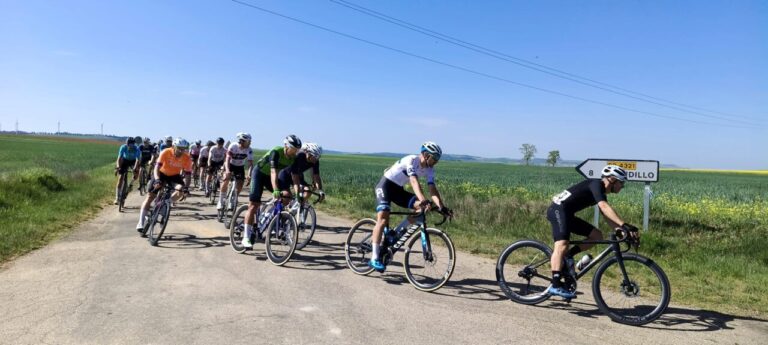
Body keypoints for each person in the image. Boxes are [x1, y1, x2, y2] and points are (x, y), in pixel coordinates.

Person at [545, 165, 639, 299]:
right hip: (557, 210)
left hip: (567, 214)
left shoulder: (601, 191)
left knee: (597, 236)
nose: (622, 186)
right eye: (621, 183)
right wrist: (625, 225)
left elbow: (606, 215)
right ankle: (555, 285)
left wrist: (621, 230)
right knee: (562, 244)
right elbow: (604, 207)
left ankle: (568, 256)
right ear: (612, 180)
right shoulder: (596, 184)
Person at [368, 141, 452, 272]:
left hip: (398, 191)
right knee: (383, 220)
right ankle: (374, 258)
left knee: (421, 208)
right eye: (434, 158)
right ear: (426, 155)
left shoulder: (430, 169)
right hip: (385, 186)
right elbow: (413, 181)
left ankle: (396, 232)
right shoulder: (412, 160)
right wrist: (423, 199)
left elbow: (432, 189)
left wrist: (441, 206)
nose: (436, 161)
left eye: (438, 159)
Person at [241, 134, 302, 248]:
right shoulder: (276, 152)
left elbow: (295, 177)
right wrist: (275, 190)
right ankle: (246, 237)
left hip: (270, 177)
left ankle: (267, 216)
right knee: (254, 205)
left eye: (297, 150)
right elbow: (273, 172)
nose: (295, 152)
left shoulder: (294, 158)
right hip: (259, 174)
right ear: (286, 146)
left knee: (286, 196)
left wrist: (298, 194)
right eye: (293, 149)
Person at [135, 138, 193, 230]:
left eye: (183, 149)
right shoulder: (166, 152)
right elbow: (156, 168)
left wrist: (186, 187)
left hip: (174, 176)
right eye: (179, 148)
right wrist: (157, 180)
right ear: (174, 147)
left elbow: (188, 174)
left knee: (181, 190)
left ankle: (166, 203)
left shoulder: (187, 157)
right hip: (161, 173)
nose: (181, 151)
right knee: (150, 197)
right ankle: (140, 222)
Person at [217, 132, 254, 211]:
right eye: (249, 141)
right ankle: (221, 201)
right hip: (230, 164)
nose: (250, 143)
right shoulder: (233, 146)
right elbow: (227, 159)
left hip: (240, 167)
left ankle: (233, 199)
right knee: (226, 180)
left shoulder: (249, 150)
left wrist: (249, 175)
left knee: (240, 184)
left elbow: (250, 164)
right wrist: (227, 170)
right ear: (243, 141)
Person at [114, 137, 141, 204]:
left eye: (132, 144)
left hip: (133, 161)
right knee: (120, 178)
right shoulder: (123, 147)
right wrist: (118, 166)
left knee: (136, 173)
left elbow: (137, 160)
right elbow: (119, 158)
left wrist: (135, 168)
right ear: (127, 144)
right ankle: (117, 197)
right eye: (129, 144)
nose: (130, 146)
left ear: (134, 144)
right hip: (125, 160)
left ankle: (131, 184)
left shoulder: (136, 148)